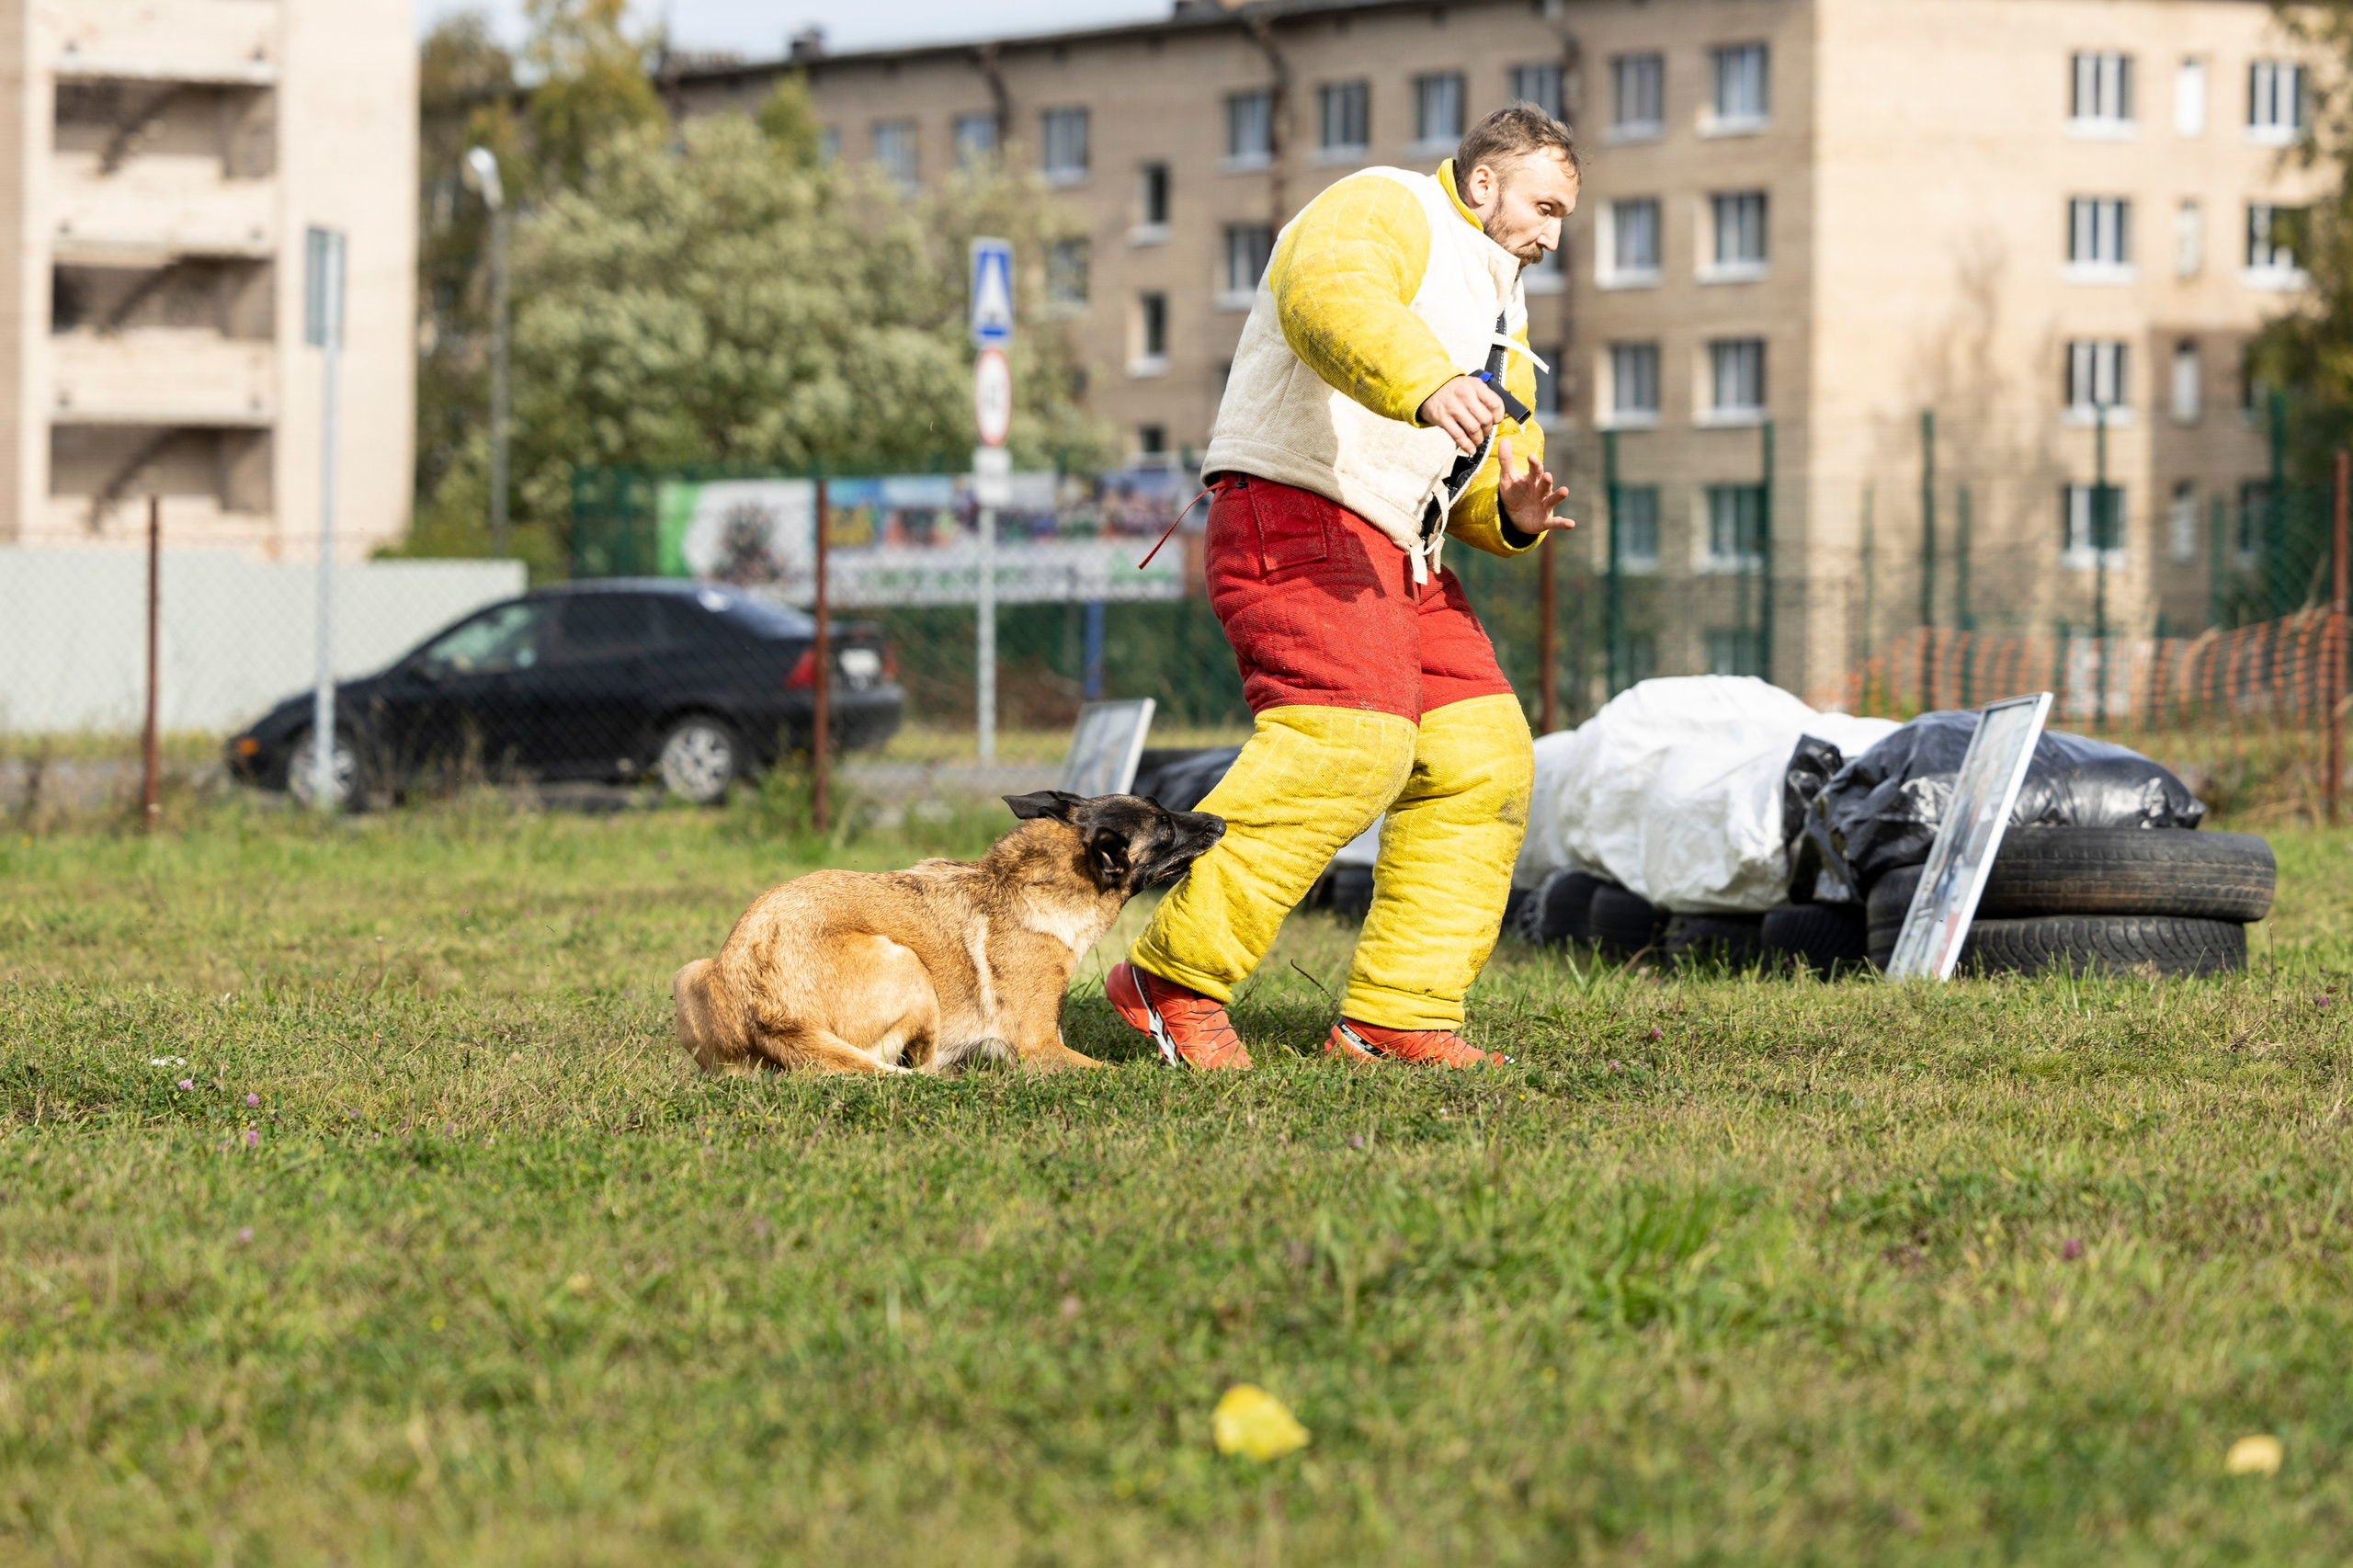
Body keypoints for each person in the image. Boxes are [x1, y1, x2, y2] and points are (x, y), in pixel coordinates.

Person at [1107, 104, 1579, 1071]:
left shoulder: (1504, 306)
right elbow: (1328, 295)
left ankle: (1395, 1015)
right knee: (1348, 738)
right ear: (1483, 182)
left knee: (1482, 757)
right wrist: (1427, 379)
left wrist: (1510, 511)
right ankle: (1169, 978)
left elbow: (1481, 457)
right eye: (1545, 207)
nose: (1554, 235)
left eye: (1565, 217)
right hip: (1295, 510)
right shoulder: (1384, 202)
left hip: (1402, 548)